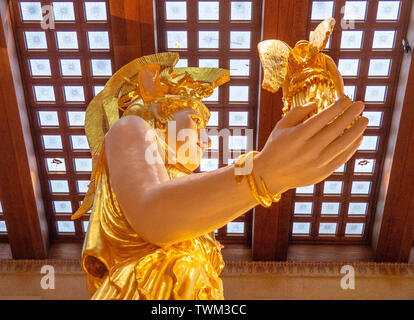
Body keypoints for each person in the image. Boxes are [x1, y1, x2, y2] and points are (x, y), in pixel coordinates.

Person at [72, 52, 368, 300]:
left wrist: (269, 173)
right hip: (147, 287)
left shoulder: (184, 187)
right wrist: (263, 172)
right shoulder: (131, 128)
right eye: (197, 120)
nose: (207, 138)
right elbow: (153, 215)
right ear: (160, 113)